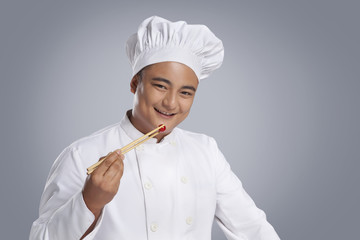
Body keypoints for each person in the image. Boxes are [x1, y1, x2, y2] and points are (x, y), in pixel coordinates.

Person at [30, 16, 280, 240]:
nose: (171, 103)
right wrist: (89, 202)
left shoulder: (206, 151)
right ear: (134, 83)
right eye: (160, 86)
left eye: (185, 92)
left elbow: (253, 228)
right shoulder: (82, 154)